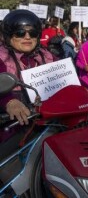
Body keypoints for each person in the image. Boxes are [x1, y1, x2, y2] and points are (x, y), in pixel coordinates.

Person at [0, 10, 56, 138]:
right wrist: (9, 101)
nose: (27, 37)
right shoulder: (2, 57)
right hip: (12, 129)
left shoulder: (46, 55)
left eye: (33, 33)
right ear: (8, 36)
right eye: (20, 33)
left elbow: (68, 77)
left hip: (49, 125)